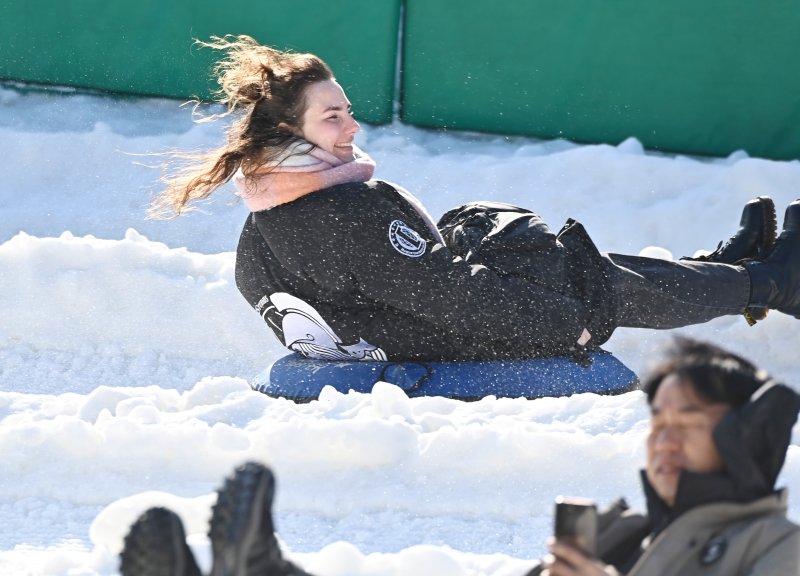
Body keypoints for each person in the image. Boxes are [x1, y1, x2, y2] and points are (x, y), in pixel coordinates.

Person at [149, 34, 800, 363]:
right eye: (333, 118)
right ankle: (770, 281)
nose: (352, 127)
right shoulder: (347, 217)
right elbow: (451, 298)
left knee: (482, 231)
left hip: (409, 325)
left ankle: (724, 269)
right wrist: (559, 326)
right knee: (578, 276)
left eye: (348, 112)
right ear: (289, 134)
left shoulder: (258, 236)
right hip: (461, 335)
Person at [119, 336, 800, 576]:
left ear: (747, 433)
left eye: (691, 419)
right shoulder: (626, 531)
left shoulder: (777, 547)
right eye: (657, 420)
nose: (664, 437)